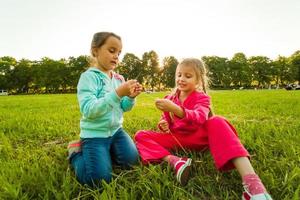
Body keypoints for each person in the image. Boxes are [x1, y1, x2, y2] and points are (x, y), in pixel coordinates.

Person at [134, 58, 272, 199]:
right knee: (140, 135)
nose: (181, 79)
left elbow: (200, 117)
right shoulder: (170, 97)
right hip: (178, 139)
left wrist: (176, 109)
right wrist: (163, 123)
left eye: (188, 76)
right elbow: (166, 118)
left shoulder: (202, 98)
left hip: (199, 138)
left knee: (217, 121)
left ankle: (253, 185)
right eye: (179, 75)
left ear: (199, 80)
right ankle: (175, 161)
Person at [67, 32, 143, 187]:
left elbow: (123, 107)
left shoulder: (118, 79)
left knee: (132, 163)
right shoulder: (88, 77)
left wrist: (130, 97)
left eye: (119, 53)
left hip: (116, 131)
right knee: (99, 181)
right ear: (95, 51)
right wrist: (117, 93)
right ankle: (75, 154)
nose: (116, 56)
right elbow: (89, 110)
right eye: (112, 50)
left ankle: (106, 154)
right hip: (94, 135)